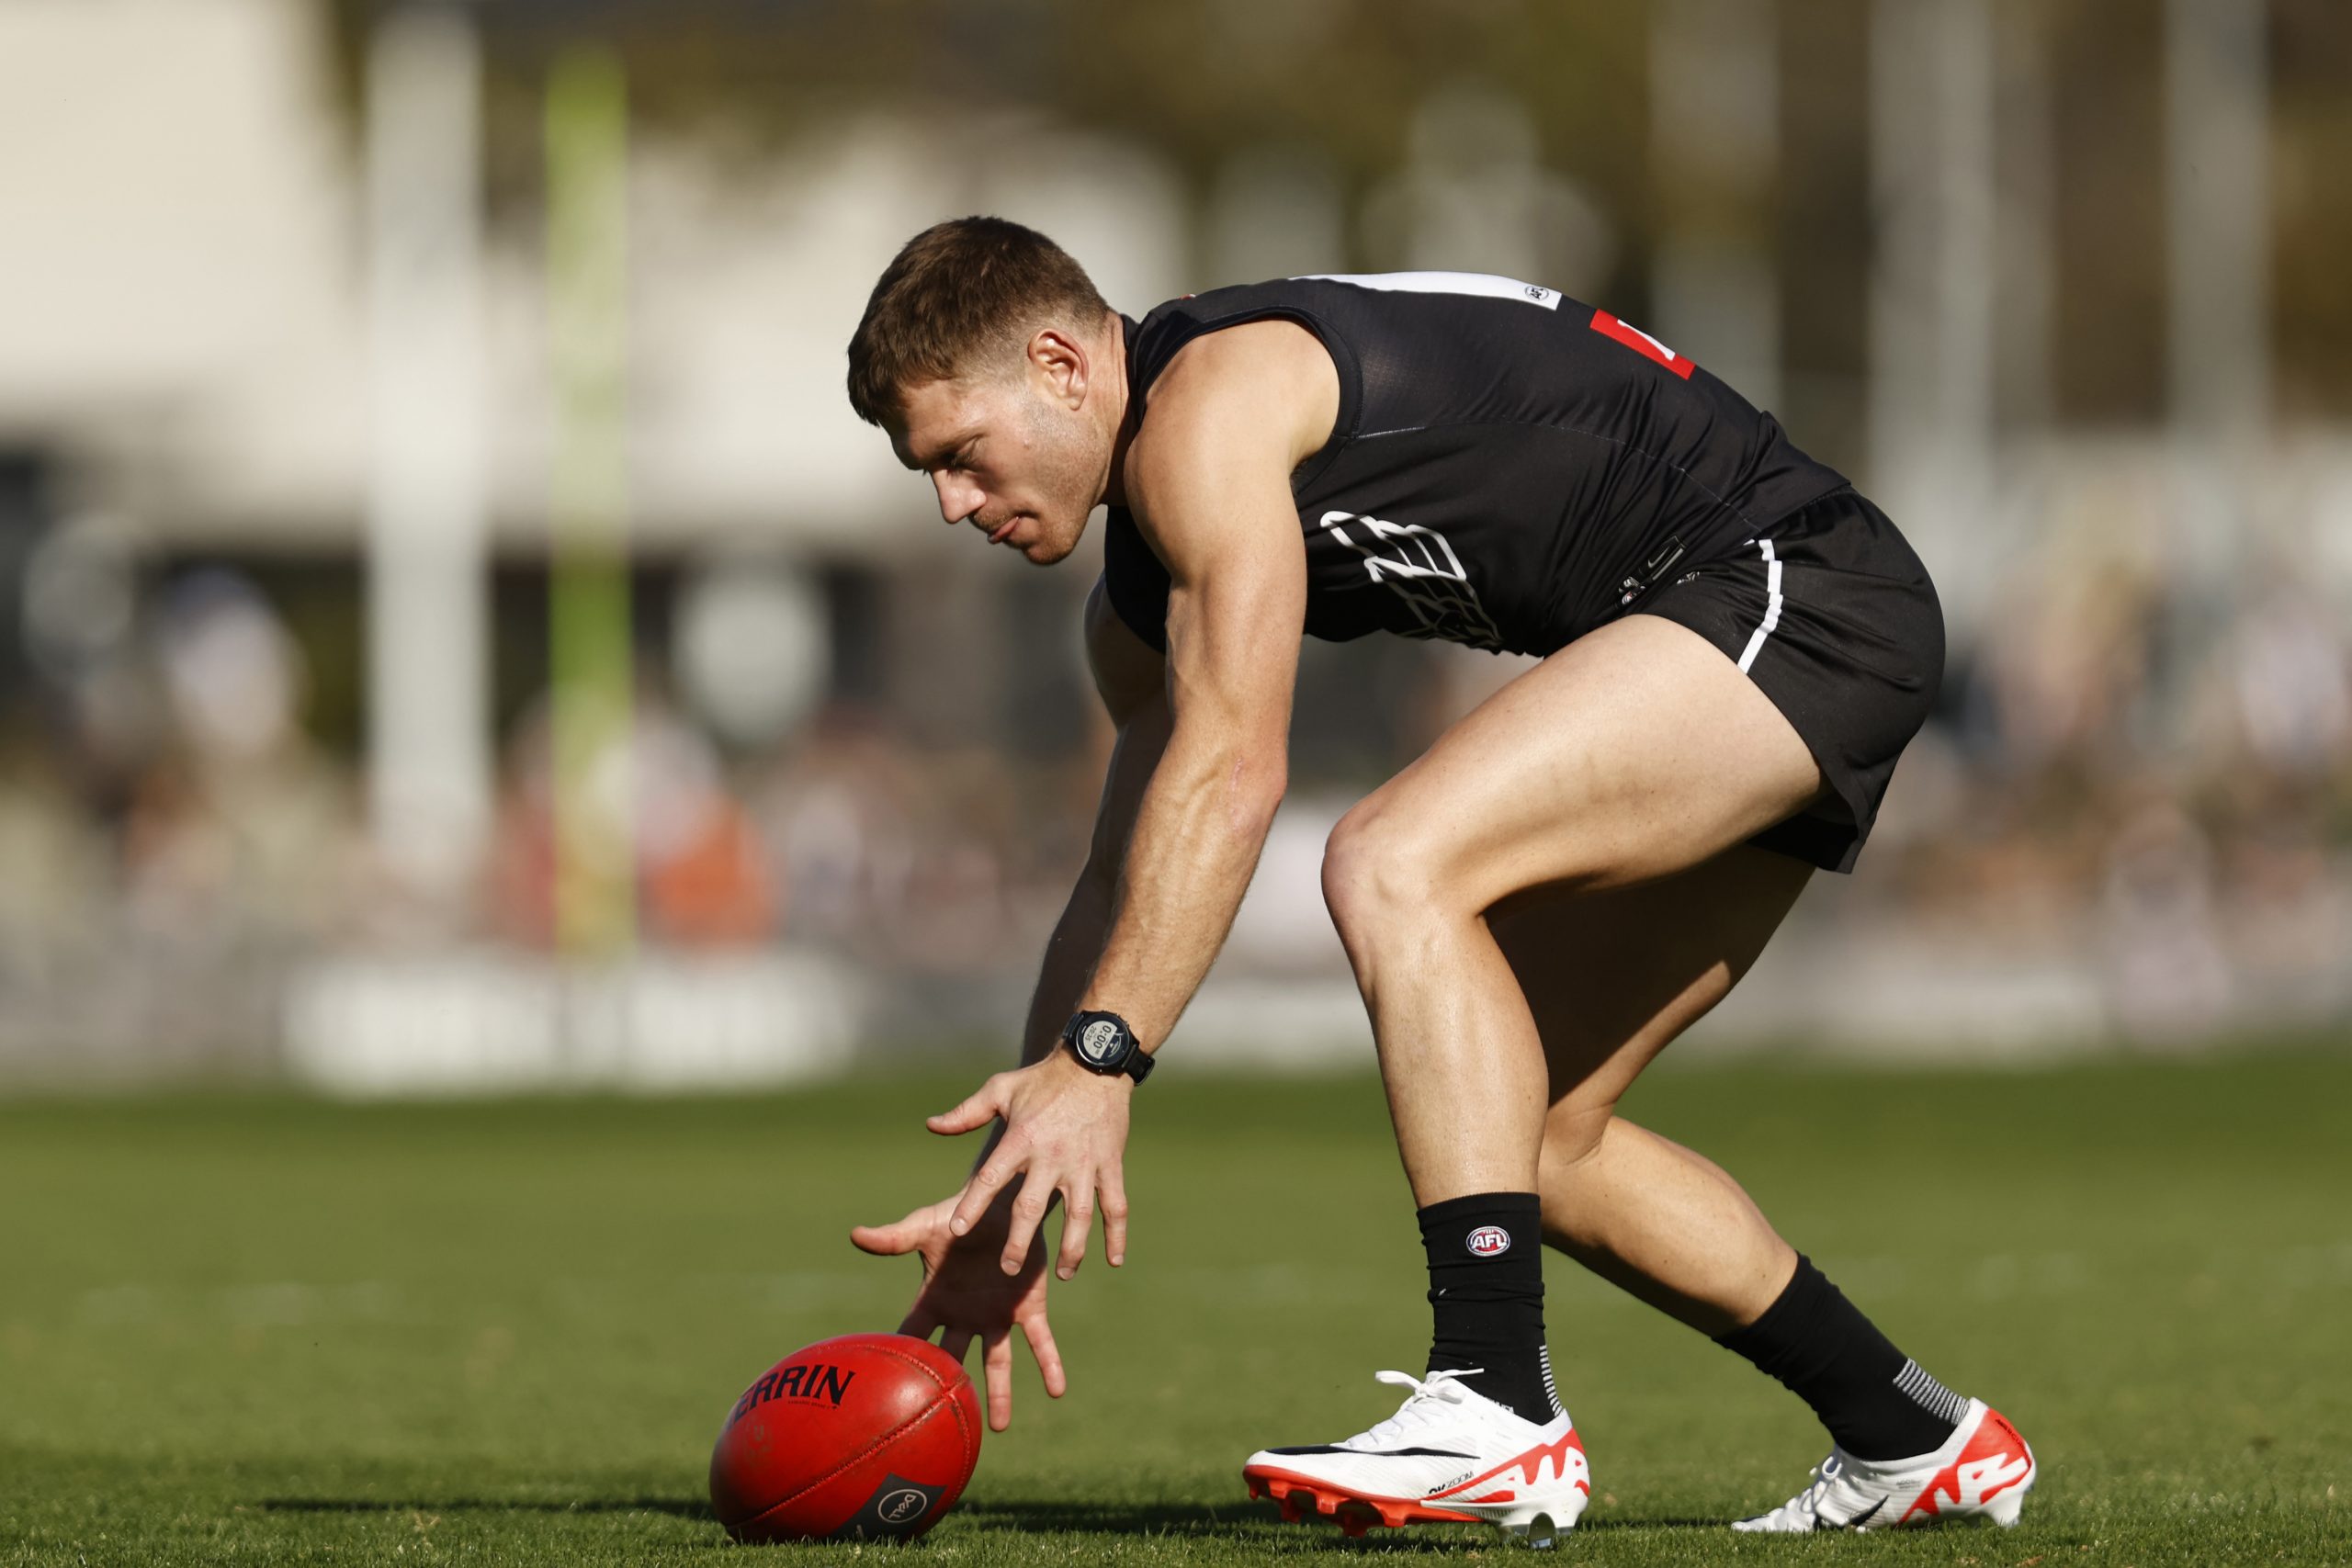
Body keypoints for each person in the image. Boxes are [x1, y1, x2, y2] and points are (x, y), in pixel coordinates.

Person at [842, 216, 2034, 1543]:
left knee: (1392, 858)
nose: (952, 502)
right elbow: (1130, 868)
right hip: (1755, 627)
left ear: (1063, 366)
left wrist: (1105, 1065)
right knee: (1531, 1139)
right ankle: (1911, 1433)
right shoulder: (1136, 601)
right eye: (926, 475)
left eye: (960, 454)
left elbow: (1236, 775)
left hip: (1794, 589)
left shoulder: (1208, 410)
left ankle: (1496, 1408)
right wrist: (1022, 1171)